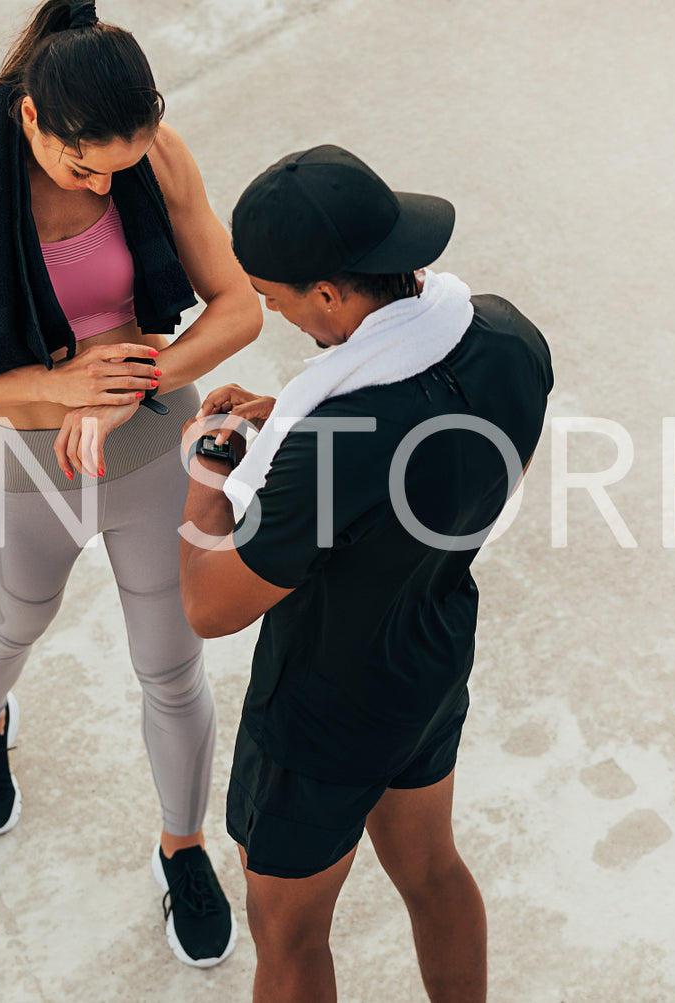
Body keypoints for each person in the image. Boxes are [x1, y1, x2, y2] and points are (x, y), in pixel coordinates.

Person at [0, 0, 260, 968]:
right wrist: (58, 387)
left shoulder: (152, 156)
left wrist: (137, 379)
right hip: (30, 467)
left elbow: (233, 310)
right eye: (83, 166)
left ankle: (181, 848)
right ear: (30, 123)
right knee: (9, 625)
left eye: (122, 165)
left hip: (151, 454)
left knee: (170, 668)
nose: (107, 182)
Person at [177, 145, 554, 1001]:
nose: (279, 318)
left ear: (329, 295)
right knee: (430, 869)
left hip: (318, 716)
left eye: (277, 302)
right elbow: (476, 469)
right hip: (427, 660)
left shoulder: (335, 446)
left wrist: (207, 471)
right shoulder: (503, 333)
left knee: (287, 932)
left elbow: (209, 603)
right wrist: (297, 437)